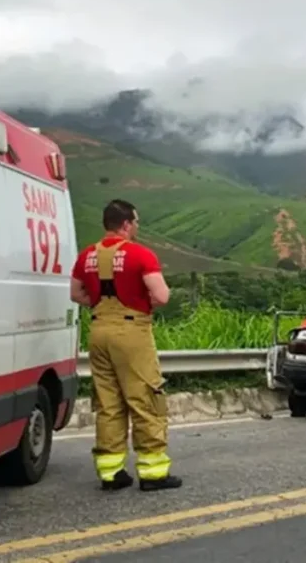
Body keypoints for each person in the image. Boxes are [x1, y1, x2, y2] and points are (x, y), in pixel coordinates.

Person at [70, 199, 182, 491]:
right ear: (126, 224)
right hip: (131, 332)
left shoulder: (86, 256)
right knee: (145, 398)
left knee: (109, 403)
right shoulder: (140, 255)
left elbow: (76, 294)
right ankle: (153, 472)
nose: (137, 227)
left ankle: (111, 472)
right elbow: (162, 296)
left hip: (98, 331)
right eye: (136, 222)